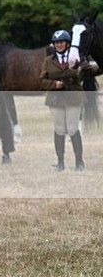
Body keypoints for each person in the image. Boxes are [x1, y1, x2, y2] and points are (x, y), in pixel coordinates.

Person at [40, 30, 86, 171]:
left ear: (67, 43)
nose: (59, 45)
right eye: (57, 42)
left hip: (73, 97)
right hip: (56, 99)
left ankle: (79, 161)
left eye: (62, 42)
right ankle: (60, 162)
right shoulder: (48, 61)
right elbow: (42, 79)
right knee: (59, 129)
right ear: (54, 44)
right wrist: (54, 84)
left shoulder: (76, 58)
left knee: (72, 128)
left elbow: (90, 70)